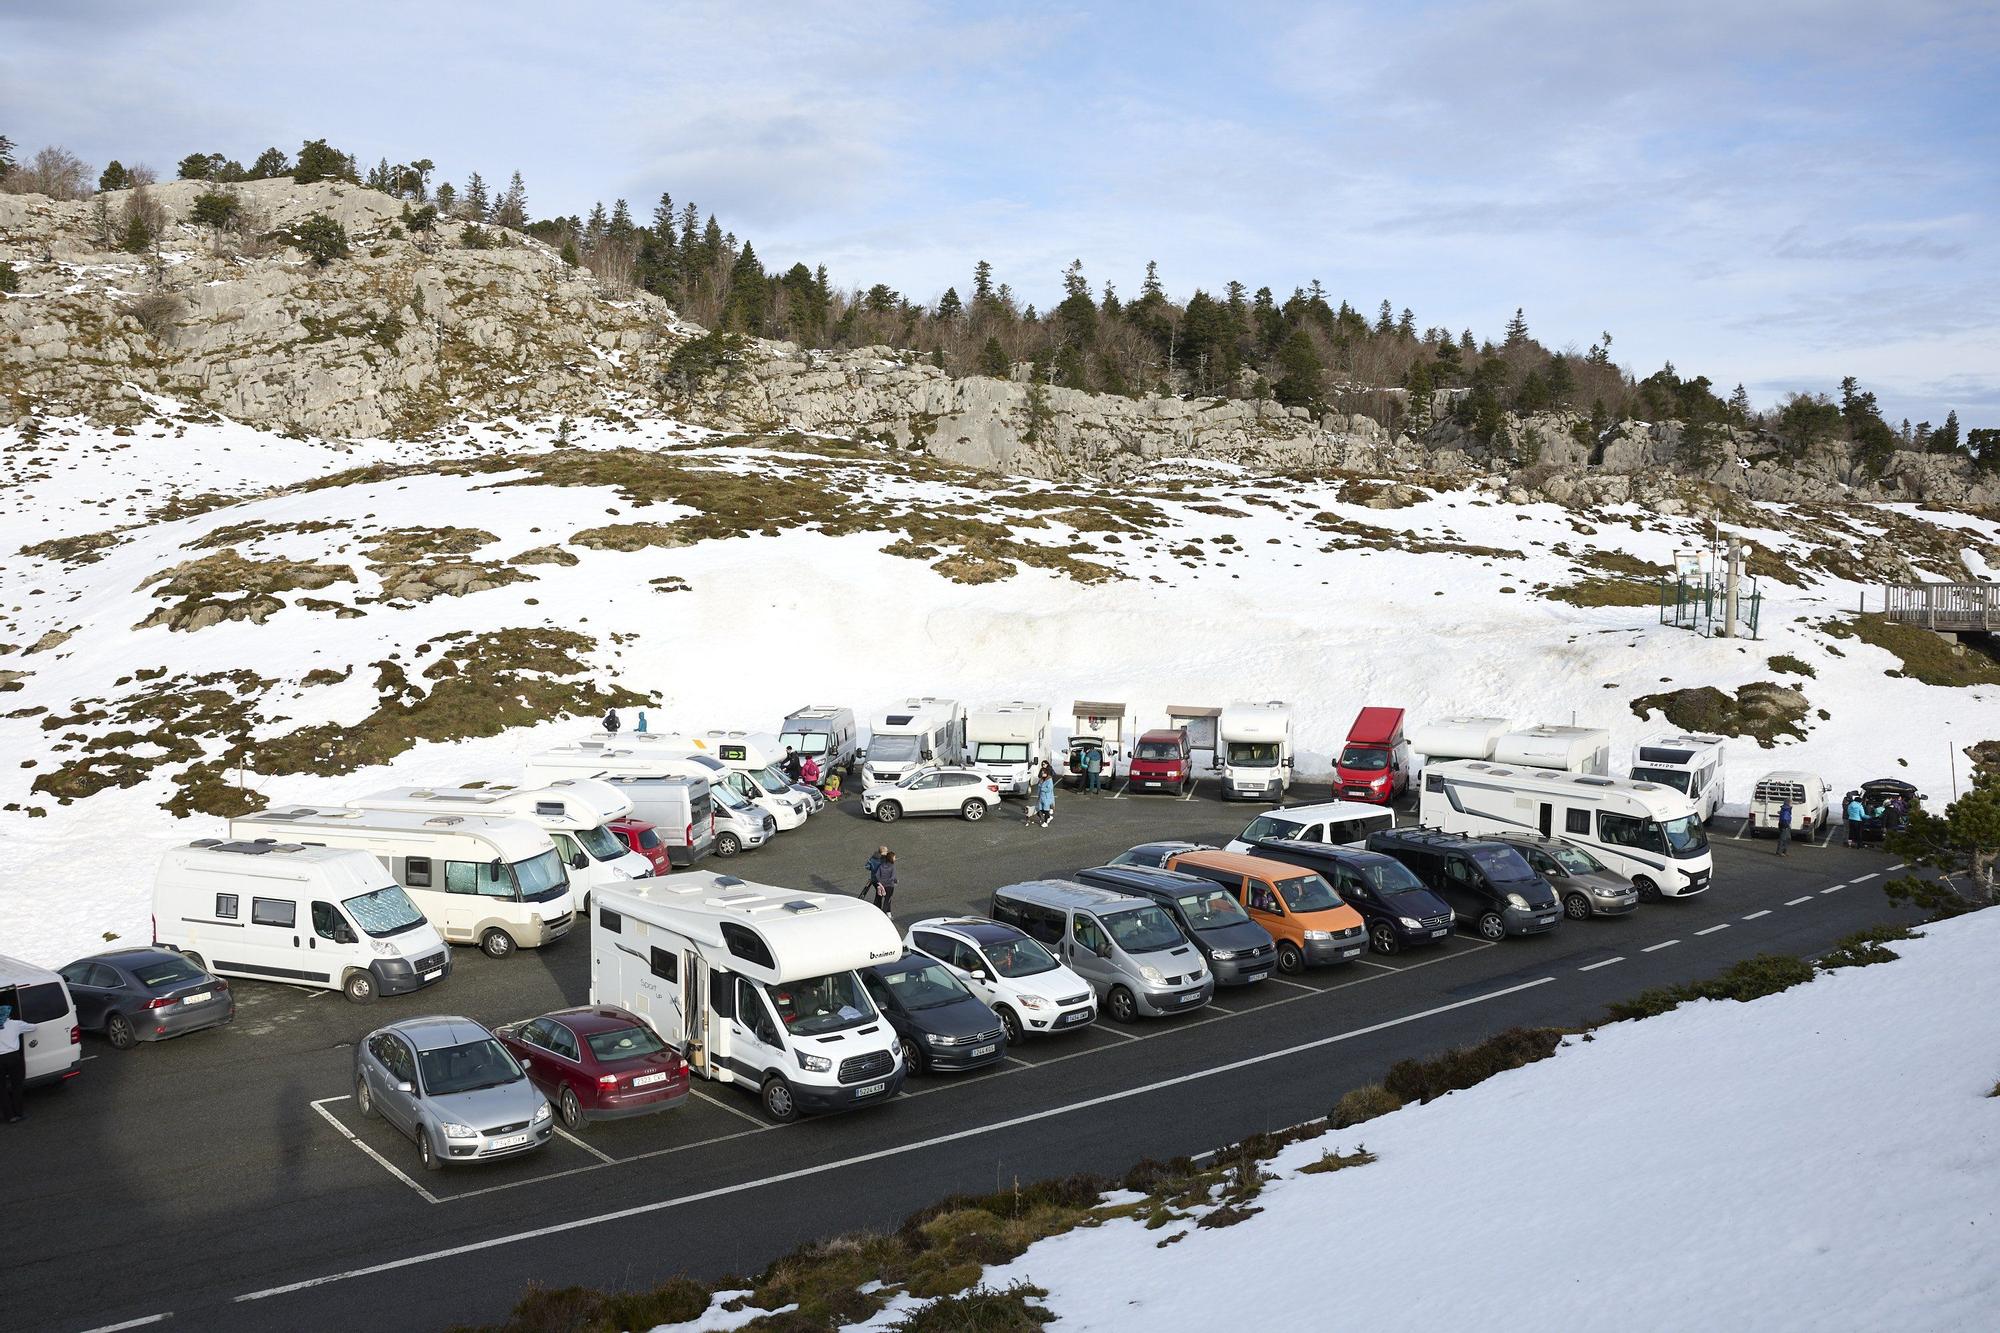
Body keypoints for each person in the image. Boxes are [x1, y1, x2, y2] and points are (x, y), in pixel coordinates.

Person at [0, 1002, 29, 1123]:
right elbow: (34, 1027)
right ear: (8, 1014)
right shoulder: (15, 1024)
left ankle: (9, 1116)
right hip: (13, 1057)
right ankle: (19, 1113)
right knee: (17, 1085)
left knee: (1, 1089)